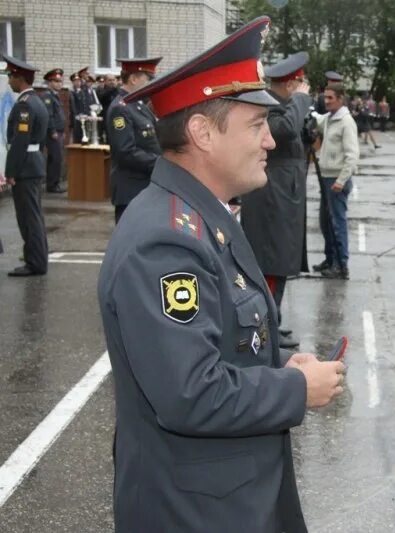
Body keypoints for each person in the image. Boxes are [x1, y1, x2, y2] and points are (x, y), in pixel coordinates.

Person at [97, 17, 345, 532]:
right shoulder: (164, 240)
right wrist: (296, 390)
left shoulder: (203, 215)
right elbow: (190, 393)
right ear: (202, 133)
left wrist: (280, 361)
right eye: (256, 126)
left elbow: (223, 336)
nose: (270, 143)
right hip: (194, 512)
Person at [241, 51, 313, 350]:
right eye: (301, 83)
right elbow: (283, 130)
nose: (305, 87)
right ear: (292, 83)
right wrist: (300, 102)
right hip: (273, 200)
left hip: (285, 197)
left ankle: (274, 320)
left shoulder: (282, 105)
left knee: (281, 262)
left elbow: (296, 136)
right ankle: (267, 328)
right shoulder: (267, 104)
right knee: (271, 263)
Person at [2, 54, 49, 277]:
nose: (9, 80)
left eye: (11, 76)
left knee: (29, 218)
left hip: (26, 167)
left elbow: (20, 142)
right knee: (33, 216)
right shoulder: (35, 101)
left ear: (20, 78)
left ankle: (35, 262)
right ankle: (37, 258)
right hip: (32, 164)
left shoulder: (25, 105)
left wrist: (10, 171)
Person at [312, 82, 360, 279]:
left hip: (336, 180)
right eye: (325, 97)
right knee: (326, 222)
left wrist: (341, 180)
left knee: (337, 223)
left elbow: (352, 155)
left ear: (341, 99)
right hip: (327, 177)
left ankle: (341, 265)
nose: (326, 101)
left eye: (331, 98)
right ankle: (330, 259)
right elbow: (317, 119)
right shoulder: (330, 118)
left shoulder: (345, 122)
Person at [106, 57, 162, 223]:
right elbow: (125, 151)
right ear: (133, 78)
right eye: (147, 79)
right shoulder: (120, 109)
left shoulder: (138, 105)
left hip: (143, 186)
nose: (150, 83)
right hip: (130, 188)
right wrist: (159, 162)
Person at [42, 68, 67, 193]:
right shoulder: (47, 96)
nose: (59, 84)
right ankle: (52, 185)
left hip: (59, 131)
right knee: (55, 158)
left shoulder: (55, 96)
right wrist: (53, 131)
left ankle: (54, 183)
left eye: (60, 81)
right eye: (56, 81)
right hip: (54, 133)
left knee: (57, 158)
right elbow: (49, 115)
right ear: (50, 82)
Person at [69, 71, 89, 143]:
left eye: (79, 81)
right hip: (77, 117)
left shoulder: (83, 91)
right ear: (73, 82)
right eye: (75, 81)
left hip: (84, 116)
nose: (78, 83)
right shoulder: (71, 92)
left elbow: (86, 104)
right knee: (77, 136)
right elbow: (73, 106)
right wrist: (77, 115)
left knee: (85, 136)